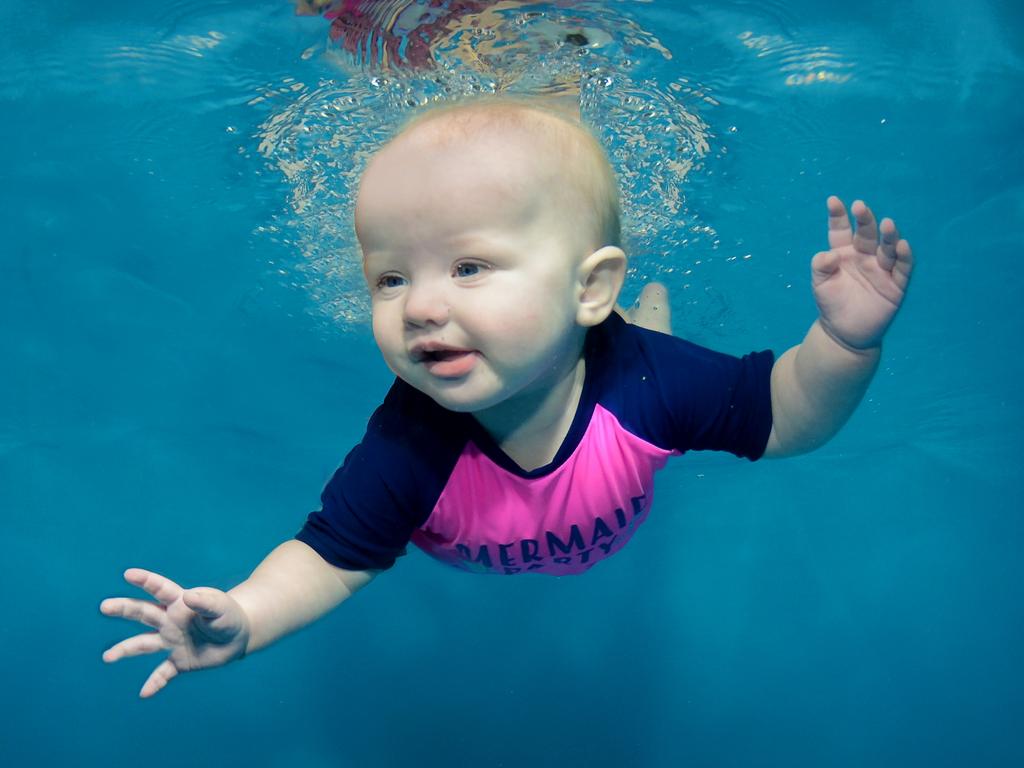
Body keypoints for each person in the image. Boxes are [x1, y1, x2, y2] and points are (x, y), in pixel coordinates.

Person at [100, 98, 914, 698]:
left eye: (468, 267)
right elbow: (331, 557)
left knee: (653, 351)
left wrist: (843, 344)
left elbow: (785, 418)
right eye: (390, 278)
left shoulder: (647, 384)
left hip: (624, 377)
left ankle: (640, 310)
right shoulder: (409, 445)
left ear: (589, 284)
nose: (419, 307)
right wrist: (242, 617)